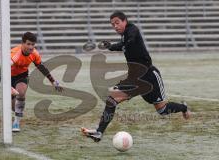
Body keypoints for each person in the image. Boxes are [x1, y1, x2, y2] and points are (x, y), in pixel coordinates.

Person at [81, 11, 191, 142]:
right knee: (111, 99)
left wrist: (124, 43)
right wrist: (110, 46)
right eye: (112, 24)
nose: (115, 26)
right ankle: (99, 132)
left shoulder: (132, 29)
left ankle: (184, 107)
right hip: (135, 78)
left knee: (162, 110)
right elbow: (122, 44)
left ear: (125, 21)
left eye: (117, 23)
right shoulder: (124, 37)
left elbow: (131, 39)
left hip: (149, 77)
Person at [10, 32, 63, 132]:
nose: (31, 47)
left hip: (22, 76)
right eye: (28, 44)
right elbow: (3, 70)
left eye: (33, 44)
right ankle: (14, 107)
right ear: (23, 43)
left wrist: (53, 81)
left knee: (21, 94)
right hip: (8, 77)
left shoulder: (34, 54)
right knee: (13, 107)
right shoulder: (15, 54)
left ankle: (16, 123)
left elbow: (41, 67)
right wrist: (8, 86)